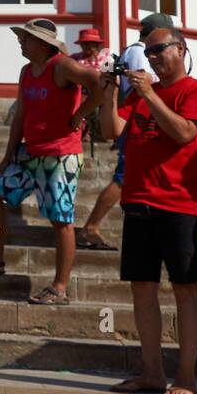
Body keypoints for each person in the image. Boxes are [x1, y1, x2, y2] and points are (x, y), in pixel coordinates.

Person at [99, 28, 197, 394]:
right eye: (147, 52)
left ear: (181, 50)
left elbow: (185, 132)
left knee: (184, 289)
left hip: (179, 205)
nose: (152, 57)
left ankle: (187, 377)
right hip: (138, 202)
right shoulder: (139, 95)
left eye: (159, 49)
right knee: (142, 289)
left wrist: (149, 93)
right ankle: (152, 372)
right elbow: (110, 131)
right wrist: (108, 90)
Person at [0, 18, 100, 304]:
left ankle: (60, 287)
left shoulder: (63, 65)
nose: (21, 42)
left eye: (26, 39)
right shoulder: (27, 71)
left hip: (60, 155)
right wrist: (7, 158)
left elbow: (98, 81)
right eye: (21, 38)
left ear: (43, 44)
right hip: (30, 152)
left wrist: (82, 114)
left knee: (61, 220)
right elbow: (20, 116)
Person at [77, 14, 170, 251]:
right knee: (123, 177)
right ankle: (91, 227)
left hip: (140, 120)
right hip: (138, 121)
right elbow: (144, 83)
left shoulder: (134, 51)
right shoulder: (140, 52)